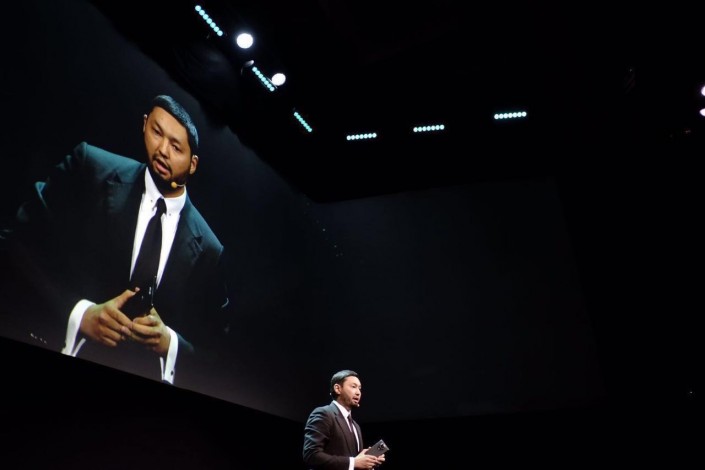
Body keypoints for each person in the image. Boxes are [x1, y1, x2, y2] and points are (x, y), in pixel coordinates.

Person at [0, 95, 230, 387]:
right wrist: (79, 314)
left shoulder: (209, 249)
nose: (162, 150)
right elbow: (16, 242)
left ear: (193, 164)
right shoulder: (90, 168)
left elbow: (219, 355)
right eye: (157, 132)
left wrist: (170, 344)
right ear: (144, 125)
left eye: (176, 147)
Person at [303, 369, 385, 470]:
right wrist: (353, 463)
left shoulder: (356, 426)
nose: (358, 392)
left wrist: (368, 460)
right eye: (353, 387)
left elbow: (355, 460)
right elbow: (311, 455)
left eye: (359, 388)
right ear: (338, 389)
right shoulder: (324, 414)